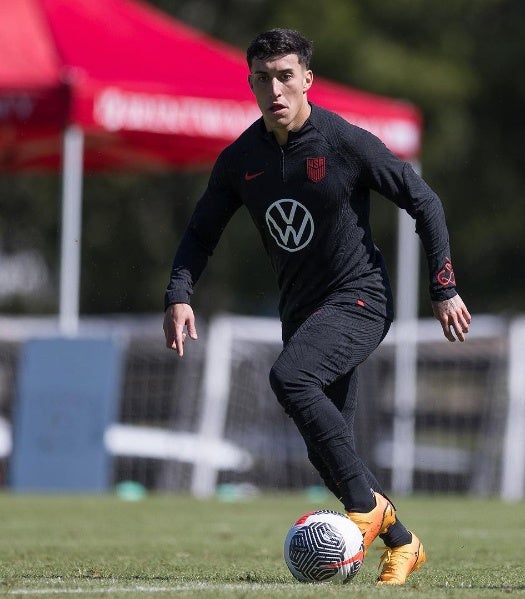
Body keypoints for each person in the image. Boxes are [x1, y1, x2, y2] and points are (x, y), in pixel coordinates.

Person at [163, 28, 471, 586]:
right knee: (329, 451)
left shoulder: (344, 142)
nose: (275, 89)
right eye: (263, 78)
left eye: (286, 76)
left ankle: (368, 510)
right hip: (303, 313)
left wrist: (443, 287)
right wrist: (179, 295)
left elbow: (422, 199)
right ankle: (403, 544)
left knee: (291, 378)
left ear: (307, 79)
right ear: (251, 83)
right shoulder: (240, 160)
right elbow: (200, 233)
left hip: (361, 298)